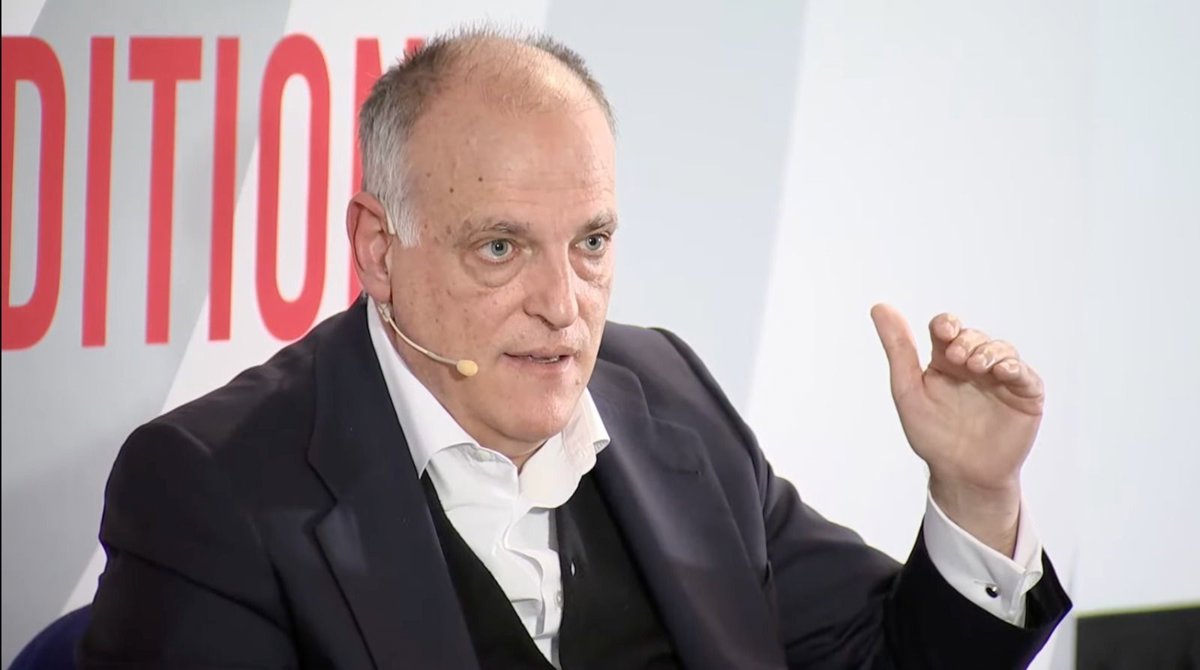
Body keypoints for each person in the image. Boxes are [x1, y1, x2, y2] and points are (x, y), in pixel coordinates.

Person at [81, 28, 1069, 669]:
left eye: (591, 243)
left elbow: (880, 657)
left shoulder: (668, 397)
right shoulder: (212, 488)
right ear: (379, 250)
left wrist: (974, 495)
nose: (563, 307)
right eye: (500, 248)